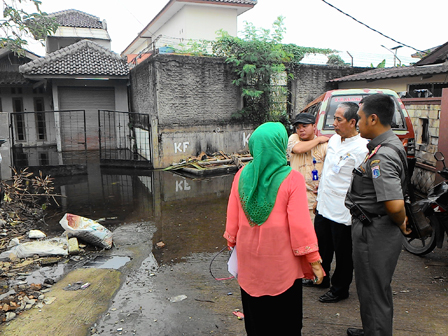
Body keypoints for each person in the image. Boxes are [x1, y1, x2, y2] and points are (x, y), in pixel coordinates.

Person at [224, 122, 324, 335]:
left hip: (249, 261)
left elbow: (232, 217)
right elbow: (300, 225)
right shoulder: (291, 178)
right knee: (285, 322)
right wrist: (314, 260)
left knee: (255, 321)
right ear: (279, 145)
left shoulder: (242, 175)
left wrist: (231, 241)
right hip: (282, 265)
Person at [345, 94, 412, 336]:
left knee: (373, 290)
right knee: (371, 289)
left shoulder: (382, 156)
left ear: (373, 119)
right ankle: (372, 329)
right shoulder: (388, 144)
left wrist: (401, 220)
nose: (357, 122)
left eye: (360, 118)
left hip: (375, 232)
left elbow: (394, 205)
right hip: (376, 228)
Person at [311, 102, 368, 300]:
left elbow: (362, 183)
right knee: (321, 246)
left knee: (343, 254)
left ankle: (339, 289)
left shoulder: (362, 148)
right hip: (324, 205)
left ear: (353, 122)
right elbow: (328, 171)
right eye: (333, 118)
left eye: (338, 119)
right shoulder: (334, 140)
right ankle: (321, 278)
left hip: (343, 212)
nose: (334, 123)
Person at [287, 113, 329, 221]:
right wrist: (318, 140)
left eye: (304, 126)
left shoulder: (324, 146)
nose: (301, 130)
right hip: (296, 198)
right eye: (298, 127)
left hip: (315, 199)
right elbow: (298, 149)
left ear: (314, 126)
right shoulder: (294, 139)